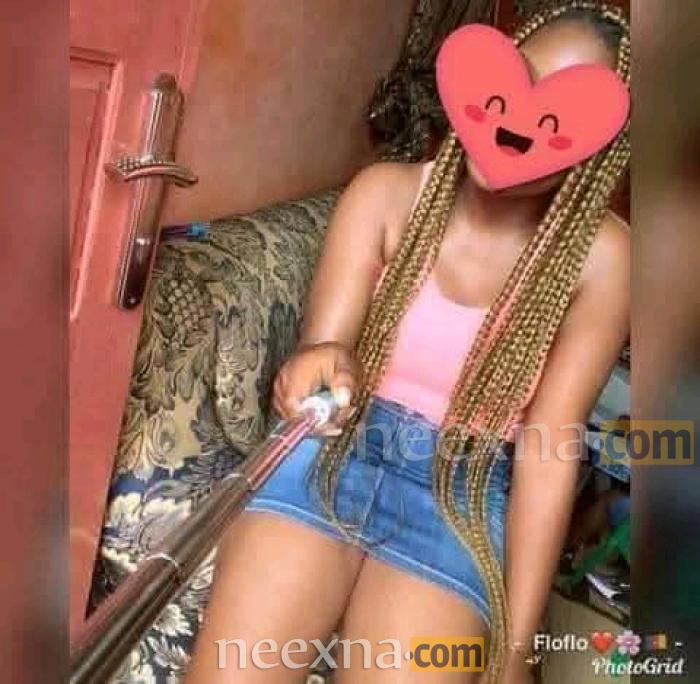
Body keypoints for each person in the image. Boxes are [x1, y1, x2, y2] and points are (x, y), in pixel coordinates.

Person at [186, 2, 630, 682]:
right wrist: (318, 364)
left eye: (559, 115)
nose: (521, 122)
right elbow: (325, 348)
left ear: (597, 147)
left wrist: (516, 650)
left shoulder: (604, 261)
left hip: (462, 496)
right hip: (335, 453)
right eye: (519, 81)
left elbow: (550, 446)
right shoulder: (385, 195)